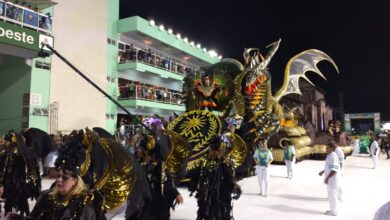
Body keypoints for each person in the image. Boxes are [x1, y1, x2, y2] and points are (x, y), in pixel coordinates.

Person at [6, 136, 106, 220]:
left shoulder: (84, 207)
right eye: (58, 176)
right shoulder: (47, 198)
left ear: (76, 182)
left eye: (65, 178)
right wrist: (16, 218)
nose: (59, 180)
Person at [188, 136, 241, 220]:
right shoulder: (204, 162)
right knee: (206, 212)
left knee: (219, 214)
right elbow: (196, 174)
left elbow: (230, 178)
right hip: (207, 195)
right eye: (213, 150)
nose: (215, 152)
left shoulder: (225, 163)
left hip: (221, 196)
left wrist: (235, 186)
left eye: (218, 151)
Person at [319, 142, 341, 216]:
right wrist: (323, 171)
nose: (326, 149)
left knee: (333, 195)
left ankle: (334, 211)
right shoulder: (329, 155)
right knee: (331, 196)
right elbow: (329, 167)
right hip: (331, 180)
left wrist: (327, 178)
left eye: (327, 148)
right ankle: (332, 209)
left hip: (333, 180)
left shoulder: (333, 157)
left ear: (332, 148)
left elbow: (334, 170)